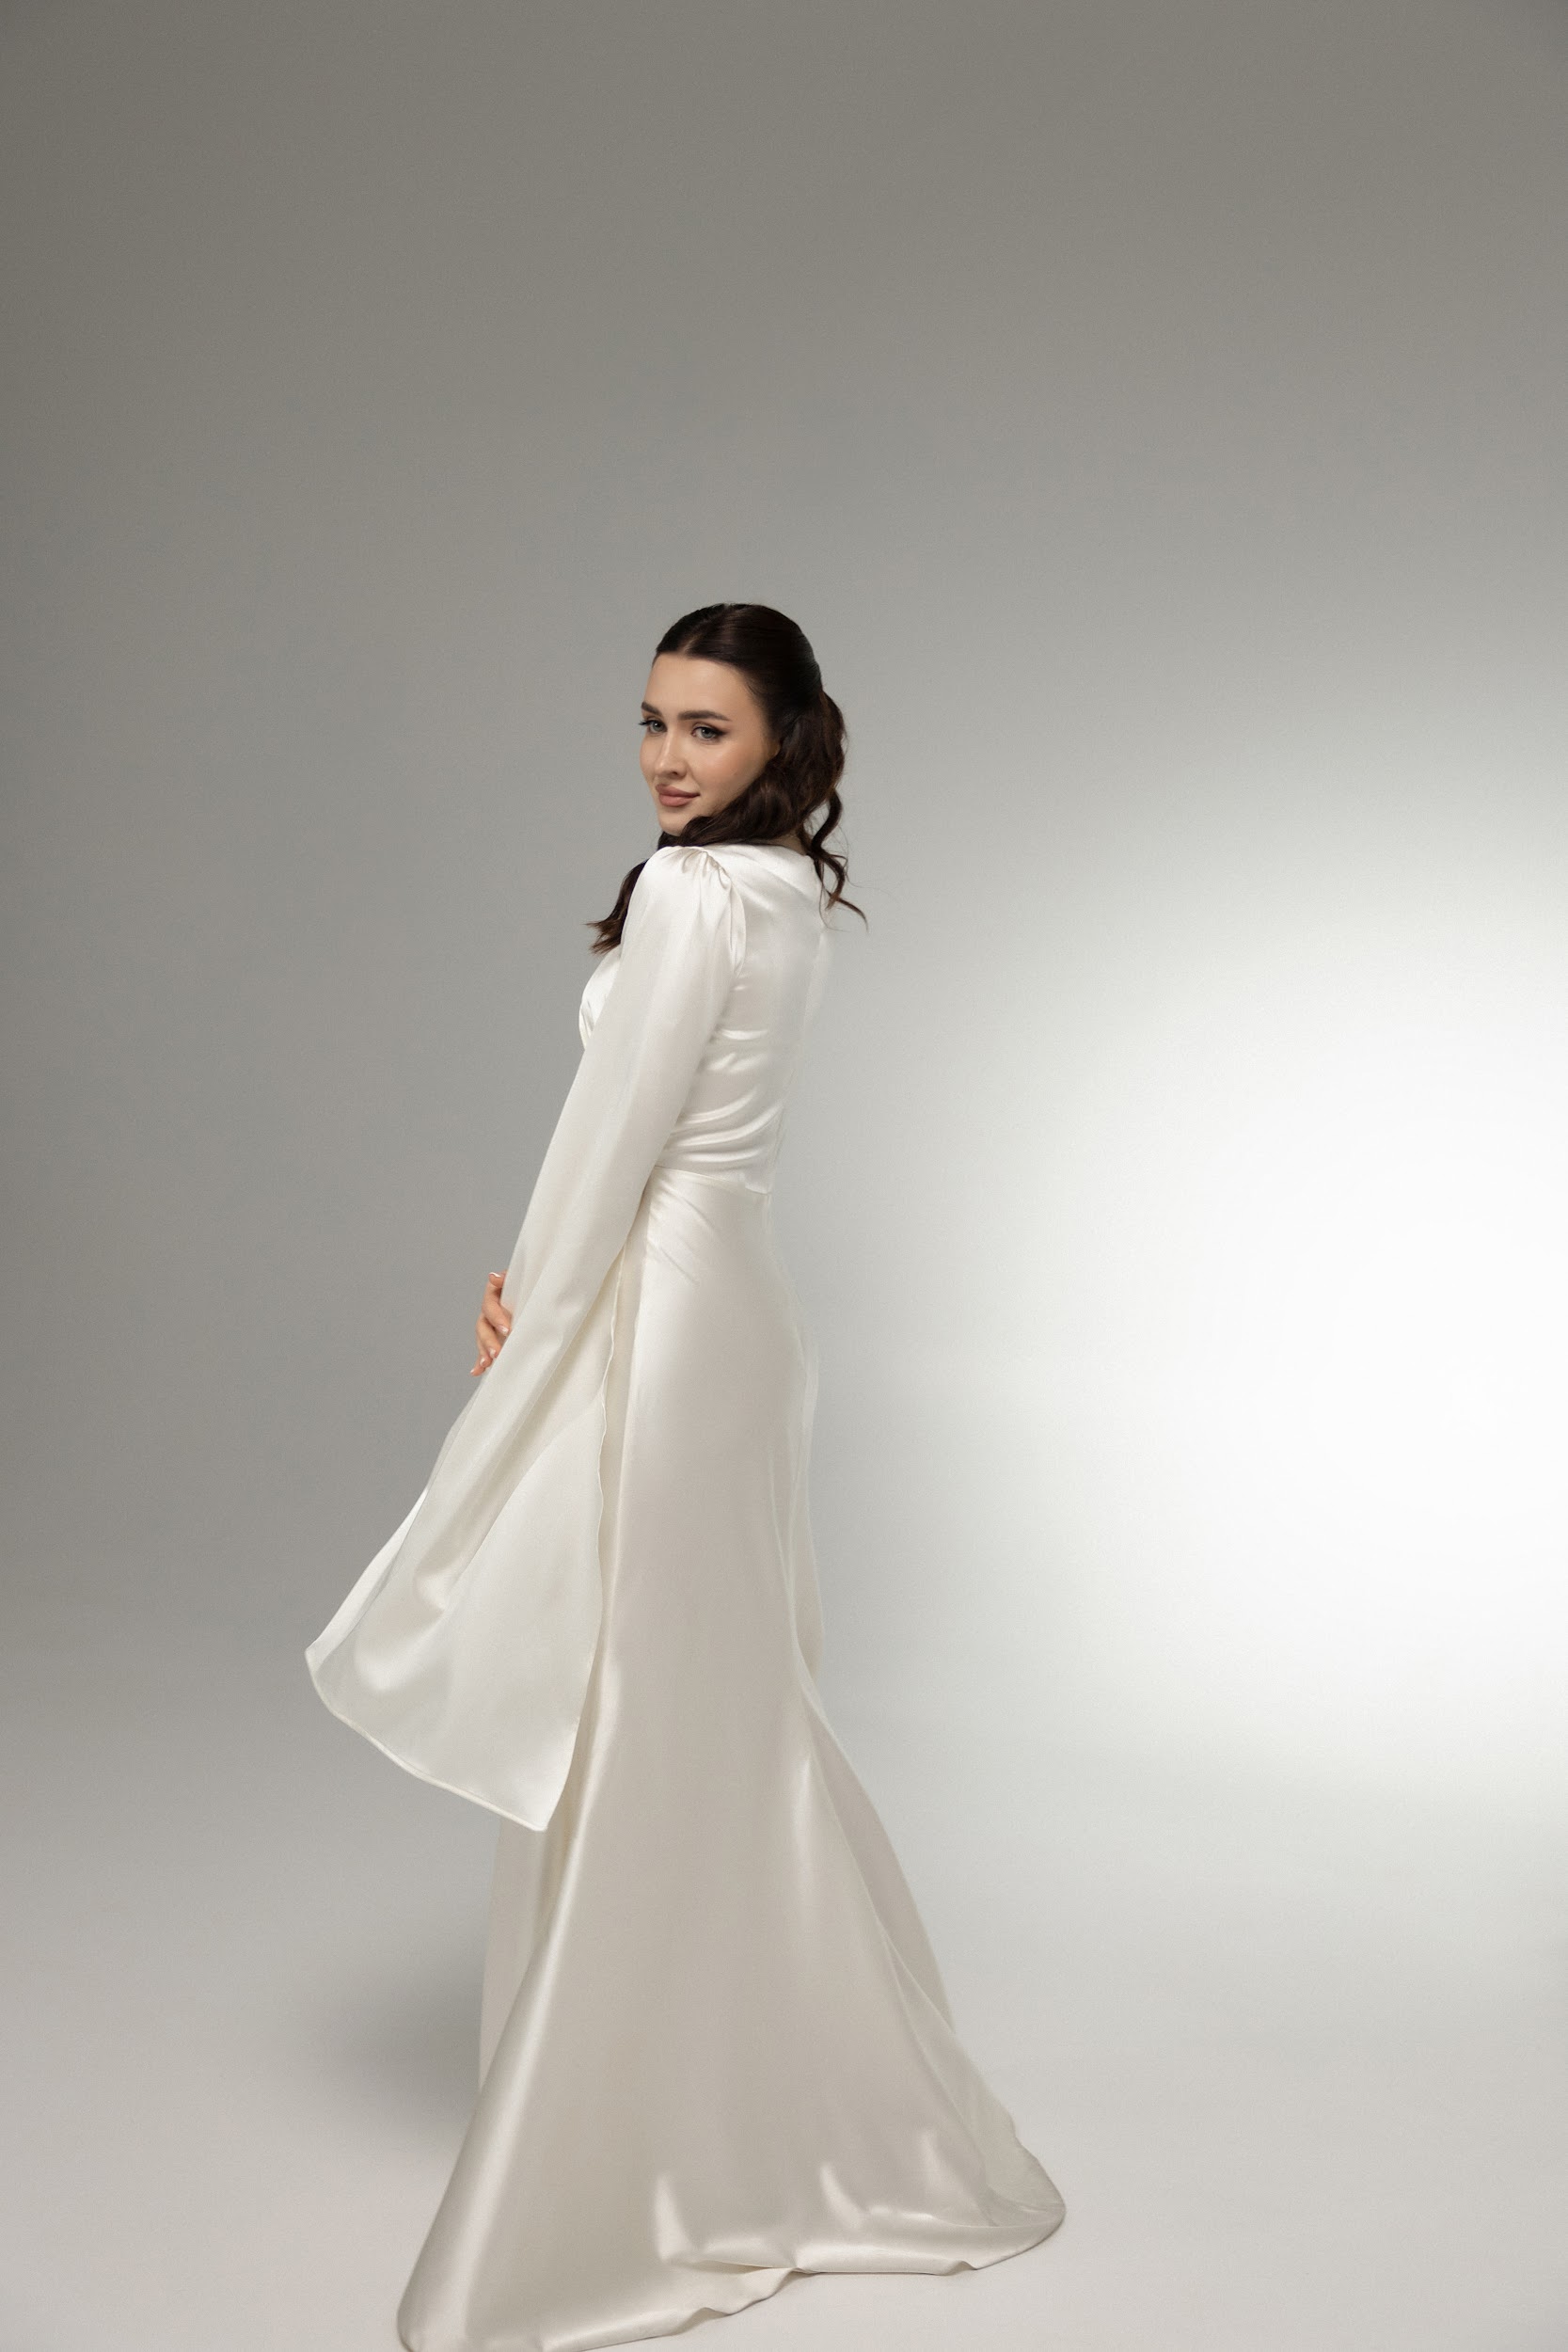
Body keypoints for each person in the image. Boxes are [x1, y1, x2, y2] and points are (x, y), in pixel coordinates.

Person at [306, 602, 1066, 2351]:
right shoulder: (787, 895)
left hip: (660, 1303)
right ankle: (743, 2109)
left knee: (645, 1707)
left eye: (706, 730)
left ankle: (627, 2154)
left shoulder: (697, 894)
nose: (665, 756)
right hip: (741, 1308)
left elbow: (613, 1141)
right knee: (714, 1706)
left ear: (782, 738)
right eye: (651, 721)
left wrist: (528, 1308)